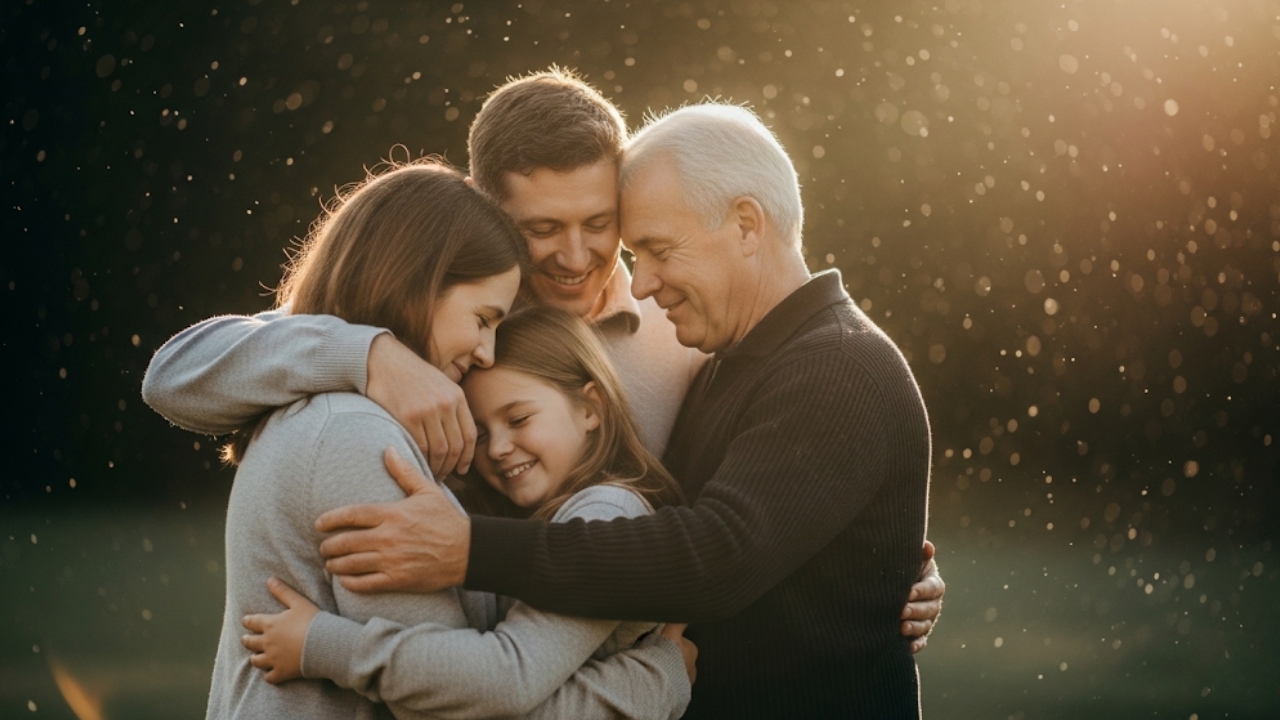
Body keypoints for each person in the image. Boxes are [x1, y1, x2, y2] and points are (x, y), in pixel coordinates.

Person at [140, 68, 944, 645]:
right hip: (444, 652)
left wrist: (871, 574)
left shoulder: (690, 335)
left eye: (600, 223)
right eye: (542, 229)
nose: (577, 255)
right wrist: (373, 353)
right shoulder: (448, 321)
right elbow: (176, 378)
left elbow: (735, 523)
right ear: (488, 212)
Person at [312, 104, 934, 718]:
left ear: (747, 225)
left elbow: (718, 555)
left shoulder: (839, 366)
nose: (642, 284)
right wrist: (369, 353)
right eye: (638, 254)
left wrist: (471, 549)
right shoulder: (732, 360)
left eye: (659, 250)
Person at [186, 159, 692, 720]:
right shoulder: (358, 436)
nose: (487, 350)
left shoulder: (319, 406)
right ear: (421, 282)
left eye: (518, 418)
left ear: (591, 407)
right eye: (483, 319)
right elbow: (470, 704)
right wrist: (657, 679)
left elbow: (493, 681)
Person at [241, 306, 696, 719]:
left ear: (590, 408)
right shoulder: (534, 516)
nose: (497, 448)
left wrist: (324, 646)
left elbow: (505, 690)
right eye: (478, 433)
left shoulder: (607, 515)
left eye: (518, 419)